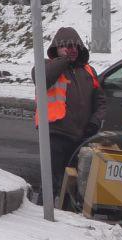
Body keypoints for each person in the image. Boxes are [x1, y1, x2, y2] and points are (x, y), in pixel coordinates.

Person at [32, 27, 105, 202]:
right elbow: (42, 79)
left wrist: (94, 122)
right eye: (65, 46)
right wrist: (63, 60)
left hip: (81, 136)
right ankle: (44, 212)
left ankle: (67, 219)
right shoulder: (45, 66)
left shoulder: (88, 71)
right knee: (52, 182)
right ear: (56, 48)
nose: (71, 49)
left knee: (73, 184)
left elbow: (101, 101)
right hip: (55, 134)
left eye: (74, 46)